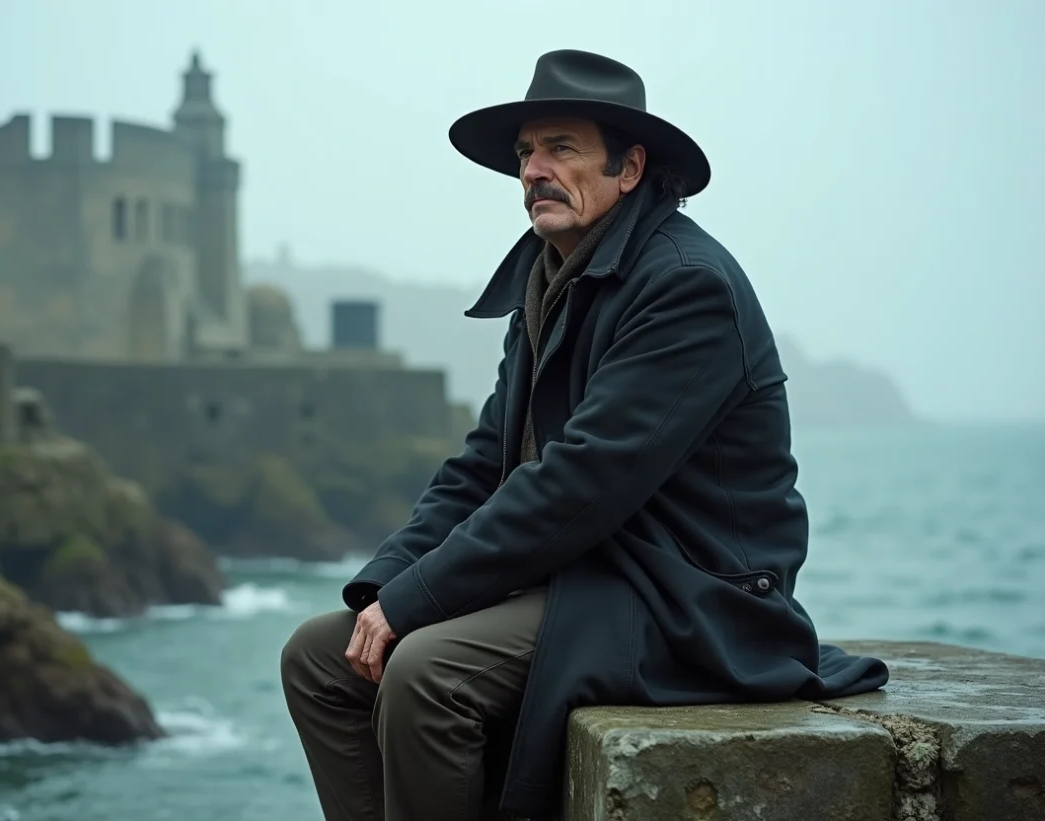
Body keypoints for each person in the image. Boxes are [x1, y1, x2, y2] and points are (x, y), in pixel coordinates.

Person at [280, 48, 890, 821]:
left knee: (428, 669)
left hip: (684, 595)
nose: (534, 168)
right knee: (317, 656)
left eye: (561, 147)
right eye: (526, 152)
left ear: (629, 168)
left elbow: (582, 480)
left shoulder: (684, 284)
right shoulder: (547, 280)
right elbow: (481, 468)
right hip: (583, 571)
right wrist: (385, 588)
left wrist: (421, 602)